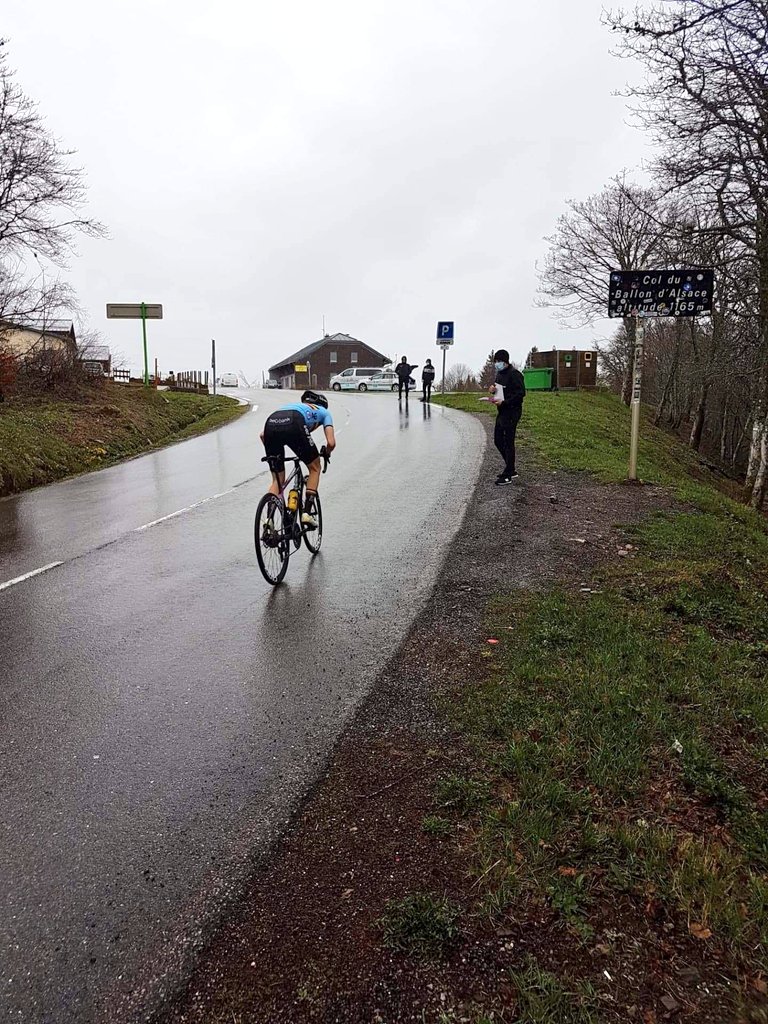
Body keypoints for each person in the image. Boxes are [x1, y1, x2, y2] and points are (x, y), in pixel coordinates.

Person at [260, 390, 336, 526]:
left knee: (278, 480)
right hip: (295, 422)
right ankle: (306, 514)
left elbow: (262, 435)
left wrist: (274, 456)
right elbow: (331, 443)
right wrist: (327, 452)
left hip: (271, 423)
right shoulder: (324, 412)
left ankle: (269, 520)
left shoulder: (296, 406)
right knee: (315, 468)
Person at [489, 349, 525, 485]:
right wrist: (493, 390)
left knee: (508, 441)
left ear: (505, 361)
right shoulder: (500, 374)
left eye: (499, 361)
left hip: (512, 411)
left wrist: (505, 402)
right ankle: (511, 468)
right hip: (502, 411)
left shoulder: (514, 374)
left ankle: (508, 474)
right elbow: (498, 389)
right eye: (495, 362)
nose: (496, 364)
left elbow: (521, 393)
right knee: (498, 440)